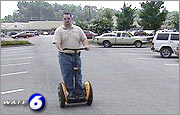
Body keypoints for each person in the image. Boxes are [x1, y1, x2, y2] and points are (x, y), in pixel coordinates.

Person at [53, 12, 89, 99]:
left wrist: (86, 45)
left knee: (78, 73)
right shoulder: (59, 30)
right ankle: (70, 92)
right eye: (65, 19)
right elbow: (57, 42)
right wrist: (60, 48)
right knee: (67, 74)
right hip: (65, 55)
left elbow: (84, 39)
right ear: (62, 20)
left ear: (71, 19)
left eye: (68, 18)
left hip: (76, 54)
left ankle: (80, 91)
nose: (67, 20)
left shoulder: (77, 29)